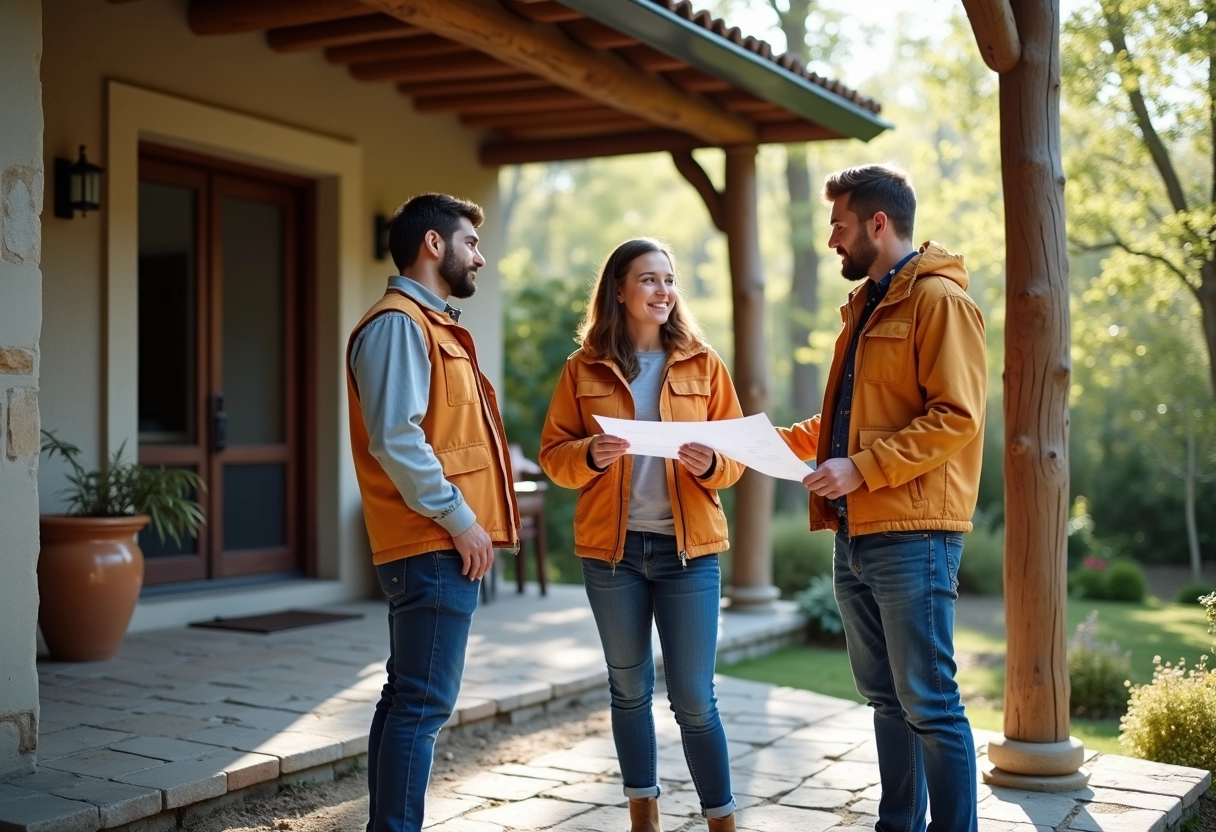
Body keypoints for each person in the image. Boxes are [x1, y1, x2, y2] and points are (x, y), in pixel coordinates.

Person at [780, 164, 986, 832]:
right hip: (855, 533)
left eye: (839, 226)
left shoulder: (940, 302)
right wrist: (752, 444)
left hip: (915, 533)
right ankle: (897, 824)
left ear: (877, 223)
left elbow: (957, 416)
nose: (832, 240)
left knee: (929, 701)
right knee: (885, 698)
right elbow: (843, 424)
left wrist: (861, 471)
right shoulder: (864, 308)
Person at [540, 238, 744, 832]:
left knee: (694, 700)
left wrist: (711, 464)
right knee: (628, 691)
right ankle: (643, 817)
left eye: (669, 279)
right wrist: (590, 454)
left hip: (689, 554)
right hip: (614, 555)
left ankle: (721, 820)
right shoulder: (583, 368)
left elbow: (735, 458)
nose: (662, 290)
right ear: (620, 291)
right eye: (649, 279)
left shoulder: (704, 364)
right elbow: (555, 456)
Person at [345, 193, 519, 832]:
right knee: (422, 704)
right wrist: (461, 520)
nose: (481, 255)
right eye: (470, 242)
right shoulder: (398, 324)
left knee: (407, 700)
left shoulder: (432, 324)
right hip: (431, 543)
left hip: (434, 542)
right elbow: (397, 437)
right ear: (434, 245)